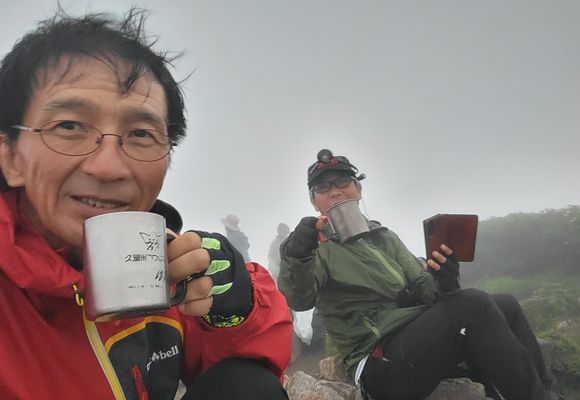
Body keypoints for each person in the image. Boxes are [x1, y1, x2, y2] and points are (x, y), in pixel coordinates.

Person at [0, 9, 291, 400]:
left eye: (140, 134)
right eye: (69, 126)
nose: (108, 167)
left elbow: (239, 369)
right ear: (10, 157)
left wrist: (233, 310)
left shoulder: (164, 263)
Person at [278, 149, 561, 400]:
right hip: (377, 359)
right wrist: (298, 255)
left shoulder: (384, 236)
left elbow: (424, 287)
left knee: (505, 304)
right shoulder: (312, 246)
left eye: (342, 182)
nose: (335, 191)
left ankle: (546, 392)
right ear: (314, 201)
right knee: (473, 304)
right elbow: (300, 299)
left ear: (358, 188)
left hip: (415, 340)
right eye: (322, 187)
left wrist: (444, 281)